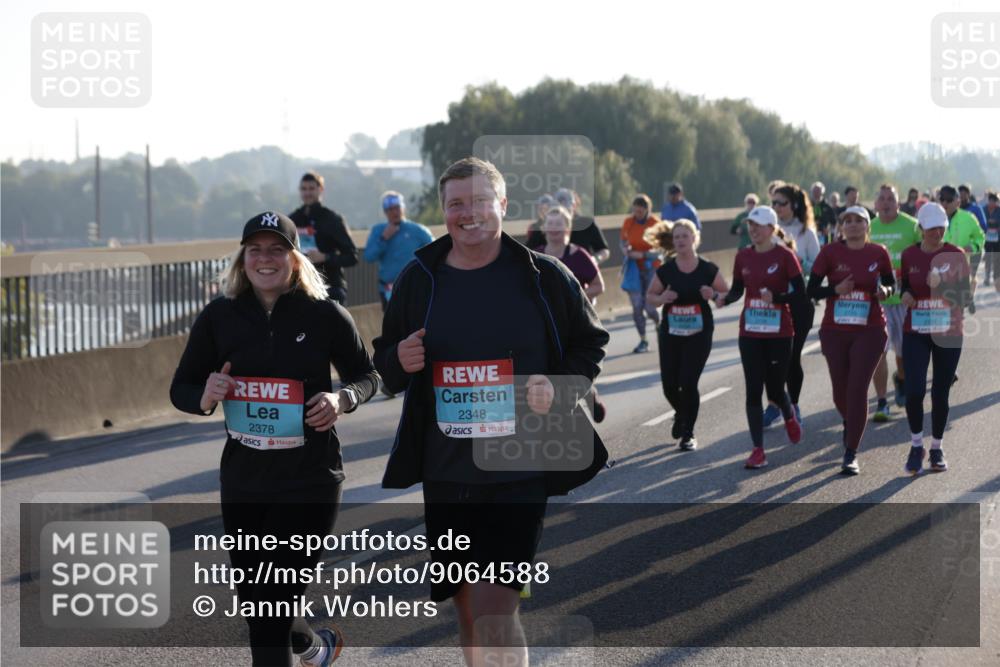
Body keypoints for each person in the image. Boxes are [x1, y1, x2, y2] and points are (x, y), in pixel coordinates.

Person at [372, 157, 610, 667]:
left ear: (502, 205)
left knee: (495, 612)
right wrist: (399, 358)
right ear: (443, 211)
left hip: (518, 467)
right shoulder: (419, 278)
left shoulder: (544, 276)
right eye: (457, 204)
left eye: (480, 201)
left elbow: (590, 344)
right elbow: (385, 365)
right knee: (468, 617)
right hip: (447, 470)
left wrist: (562, 386)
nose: (468, 213)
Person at [170, 211, 379, 666]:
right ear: (242, 259)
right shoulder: (219, 316)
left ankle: (300, 643)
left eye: (277, 249)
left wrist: (341, 400)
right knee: (258, 604)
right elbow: (181, 389)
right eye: (255, 250)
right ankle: (311, 645)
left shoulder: (324, 314)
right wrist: (204, 397)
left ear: (294, 258)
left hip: (310, 480)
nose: (266, 259)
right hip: (245, 482)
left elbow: (367, 376)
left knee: (273, 604)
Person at [807, 206, 895, 474]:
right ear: (841, 226)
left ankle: (851, 452)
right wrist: (836, 290)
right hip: (835, 330)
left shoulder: (879, 253)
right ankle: (851, 420)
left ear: (868, 226)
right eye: (848, 221)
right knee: (840, 391)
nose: (853, 225)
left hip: (870, 328)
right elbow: (811, 289)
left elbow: (891, 284)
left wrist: (885, 290)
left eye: (859, 221)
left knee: (857, 388)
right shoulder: (830, 252)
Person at [715, 206, 804, 469]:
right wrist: (723, 299)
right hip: (751, 331)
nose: (752, 230)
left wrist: (775, 299)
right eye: (749, 226)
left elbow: (800, 294)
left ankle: (789, 415)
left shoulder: (786, 256)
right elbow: (736, 291)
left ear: (771, 228)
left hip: (779, 332)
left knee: (775, 389)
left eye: (758, 225)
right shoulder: (743, 257)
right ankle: (758, 450)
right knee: (754, 388)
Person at [900, 203, 972, 475]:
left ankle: (937, 447)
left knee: (940, 392)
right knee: (915, 390)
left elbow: (965, 298)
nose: (937, 232)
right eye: (931, 227)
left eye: (941, 226)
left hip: (948, 332)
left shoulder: (955, 255)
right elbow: (905, 284)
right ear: (921, 228)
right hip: (916, 330)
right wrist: (906, 293)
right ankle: (916, 445)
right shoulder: (909, 255)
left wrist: (941, 286)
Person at [645, 219, 729, 451]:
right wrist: (662, 299)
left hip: (699, 333)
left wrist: (712, 294)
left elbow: (725, 293)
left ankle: (689, 434)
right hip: (671, 333)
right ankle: (682, 414)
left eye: (685, 236)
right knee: (669, 386)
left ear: (694, 239)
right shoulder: (667, 269)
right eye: (677, 236)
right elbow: (650, 296)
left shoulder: (707, 269)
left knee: (688, 383)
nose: (680, 240)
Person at [536, 204, 607, 423]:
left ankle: (584, 395)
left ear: (567, 229)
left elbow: (599, 285)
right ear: (544, 229)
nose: (555, 229)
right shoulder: (536, 255)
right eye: (551, 225)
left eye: (559, 225)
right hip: (547, 322)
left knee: (573, 360)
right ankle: (586, 394)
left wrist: (577, 295)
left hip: (575, 321)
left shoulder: (578, 255)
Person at [762, 183, 819, 427]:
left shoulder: (806, 233)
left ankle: (792, 405)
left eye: (781, 203)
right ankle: (775, 403)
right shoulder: (767, 231)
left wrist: (794, 257)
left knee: (792, 357)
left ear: (793, 205)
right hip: (771, 303)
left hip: (799, 302)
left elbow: (817, 269)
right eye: (773, 203)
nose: (776, 207)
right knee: (769, 358)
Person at [868, 184, 922, 420]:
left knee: (902, 349)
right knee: (878, 348)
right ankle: (881, 400)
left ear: (898, 204)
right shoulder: (868, 227)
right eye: (882, 199)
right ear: (876, 204)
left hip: (903, 297)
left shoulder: (911, 226)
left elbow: (923, 253)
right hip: (876, 298)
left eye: (891, 199)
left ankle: (901, 379)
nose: (887, 202)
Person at [289, 172, 358, 304]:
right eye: (304, 189)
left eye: (311, 188)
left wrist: (325, 257)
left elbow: (352, 256)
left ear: (320, 189)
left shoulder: (332, 219)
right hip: (300, 288)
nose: (307, 193)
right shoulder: (293, 220)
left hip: (330, 287)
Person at [363, 191, 435, 311]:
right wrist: (384, 238)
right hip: (388, 289)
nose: (394, 212)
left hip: (414, 288)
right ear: (385, 212)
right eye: (390, 209)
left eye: (397, 208)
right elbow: (369, 257)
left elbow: (435, 252)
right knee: (393, 327)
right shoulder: (378, 230)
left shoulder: (418, 230)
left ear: (403, 208)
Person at [621, 194, 662, 353]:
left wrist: (643, 255)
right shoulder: (628, 223)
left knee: (650, 307)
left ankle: (659, 324)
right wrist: (625, 249)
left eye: (640, 211)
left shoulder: (656, 224)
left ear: (646, 210)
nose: (636, 214)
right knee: (637, 306)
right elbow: (623, 241)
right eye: (635, 211)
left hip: (652, 267)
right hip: (634, 269)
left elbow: (661, 250)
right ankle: (643, 340)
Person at [526, 189, 610, 263]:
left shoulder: (586, 224)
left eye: (567, 209)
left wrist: (593, 260)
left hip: (581, 273)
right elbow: (528, 252)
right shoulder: (544, 226)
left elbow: (603, 250)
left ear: (574, 206)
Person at [940, 185, 985, 313]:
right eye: (942, 199)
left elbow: (980, 238)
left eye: (949, 200)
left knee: (956, 312)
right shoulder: (935, 218)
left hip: (961, 271)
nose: (945, 203)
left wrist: (973, 246)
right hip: (939, 271)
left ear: (957, 201)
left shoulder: (968, 218)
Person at [984, 191, 1000, 287]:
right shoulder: (983, 209)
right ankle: (987, 277)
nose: (992, 203)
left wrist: (996, 227)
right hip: (987, 238)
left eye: (994, 201)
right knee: (988, 258)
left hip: (998, 238)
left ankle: (996, 278)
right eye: (990, 201)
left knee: (997, 258)